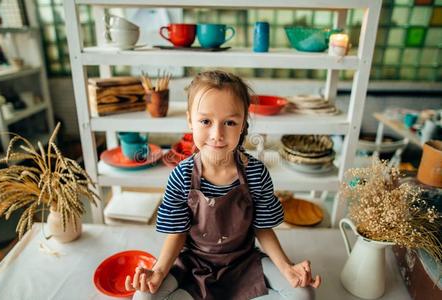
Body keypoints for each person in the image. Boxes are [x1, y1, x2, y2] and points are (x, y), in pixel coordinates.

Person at [126, 70, 321, 299]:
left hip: (245, 261)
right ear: (190, 120)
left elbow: (262, 228)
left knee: (303, 294)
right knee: (143, 297)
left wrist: (288, 268)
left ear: (243, 124)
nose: (217, 134)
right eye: (205, 121)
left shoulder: (256, 174)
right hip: (194, 264)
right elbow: (177, 233)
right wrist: (158, 272)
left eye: (229, 122)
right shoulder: (181, 176)